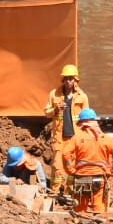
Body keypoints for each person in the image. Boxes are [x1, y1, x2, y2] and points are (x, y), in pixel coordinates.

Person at [61, 109, 113, 214]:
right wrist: (112, 172)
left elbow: (65, 154)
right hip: (99, 177)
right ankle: (98, 223)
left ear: (82, 123)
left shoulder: (77, 138)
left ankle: (79, 222)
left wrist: (70, 171)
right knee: (99, 208)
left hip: (81, 177)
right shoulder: (106, 138)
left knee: (80, 209)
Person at [42, 64, 89, 194]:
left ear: (76, 80)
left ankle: (69, 192)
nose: (68, 81)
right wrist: (56, 109)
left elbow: (87, 118)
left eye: (71, 78)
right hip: (59, 137)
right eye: (66, 78)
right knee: (57, 166)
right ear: (63, 80)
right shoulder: (54, 94)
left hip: (75, 137)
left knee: (72, 166)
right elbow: (46, 113)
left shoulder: (82, 96)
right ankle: (55, 191)